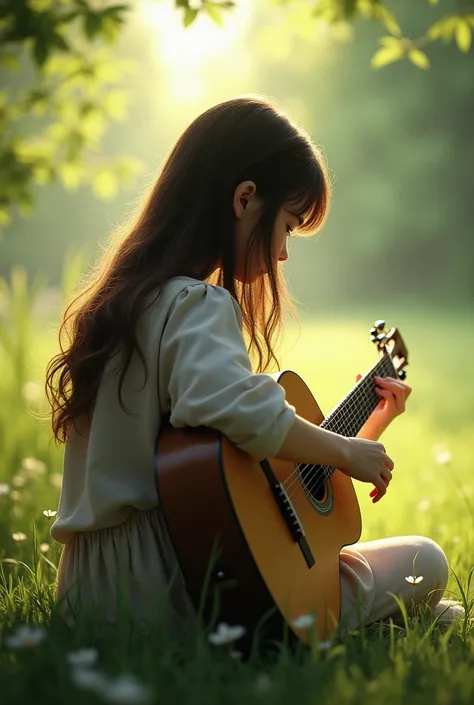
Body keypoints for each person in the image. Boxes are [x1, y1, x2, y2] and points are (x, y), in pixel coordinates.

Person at [45, 95, 464, 636]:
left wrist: (366, 427)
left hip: (91, 586)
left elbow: (227, 471)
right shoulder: (195, 304)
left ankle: (389, 623)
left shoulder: (119, 303)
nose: (284, 253)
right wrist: (346, 449)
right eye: (288, 225)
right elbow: (246, 417)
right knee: (424, 560)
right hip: (174, 585)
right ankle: (375, 620)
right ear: (245, 198)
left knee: (415, 598)